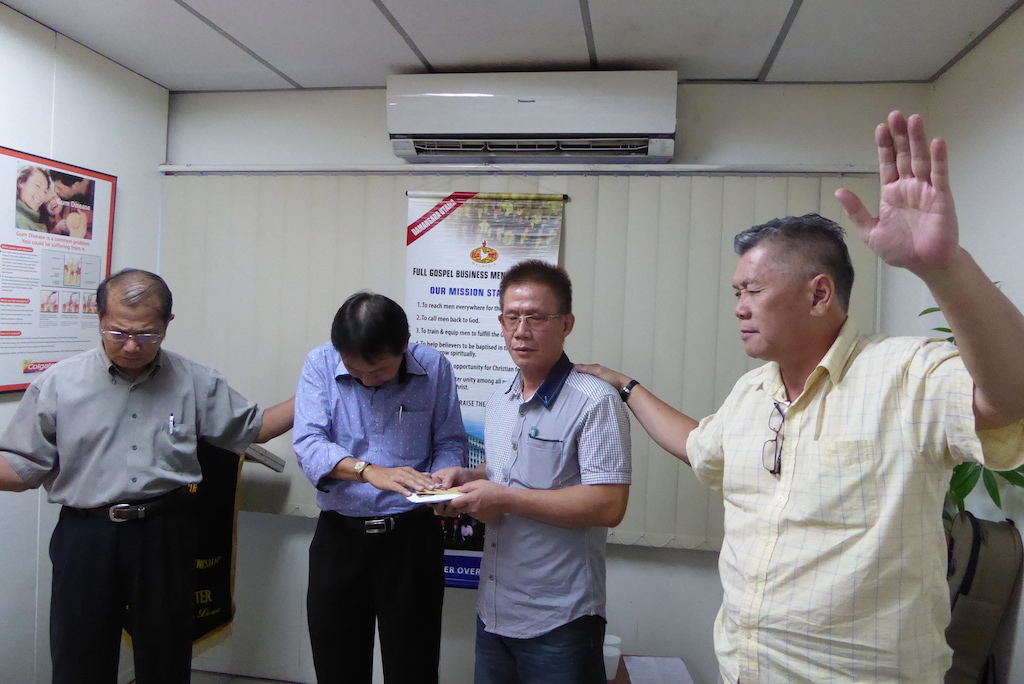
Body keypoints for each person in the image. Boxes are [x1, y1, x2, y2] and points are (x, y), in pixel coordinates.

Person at [578, 111, 1024, 682]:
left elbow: (1009, 400)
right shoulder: (752, 394)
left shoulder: (904, 374)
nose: (738, 306)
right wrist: (626, 386)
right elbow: (699, 446)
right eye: (735, 291)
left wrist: (944, 267)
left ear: (819, 294)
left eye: (753, 290)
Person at [0, 267, 295, 684]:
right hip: (87, 536)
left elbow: (251, 429)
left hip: (165, 533)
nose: (133, 345)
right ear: (98, 316)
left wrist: (312, 395)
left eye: (148, 334)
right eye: (118, 332)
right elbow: (21, 468)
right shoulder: (57, 385)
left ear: (167, 324)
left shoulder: (195, 381)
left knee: (166, 657)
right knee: (79, 656)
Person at [434, 261, 631, 684]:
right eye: (512, 316)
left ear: (566, 324)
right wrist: (469, 477)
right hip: (494, 611)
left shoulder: (595, 401)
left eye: (537, 317)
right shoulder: (500, 400)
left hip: (560, 618)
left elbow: (609, 503)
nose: (521, 330)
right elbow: (505, 472)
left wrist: (503, 499)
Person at [292, 291, 469, 684]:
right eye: (355, 372)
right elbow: (308, 443)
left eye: (378, 372)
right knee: (337, 667)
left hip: (409, 541)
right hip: (340, 539)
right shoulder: (320, 363)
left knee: (414, 667)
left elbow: (450, 442)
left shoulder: (435, 367)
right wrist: (368, 471)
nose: (367, 381)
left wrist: (440, 484)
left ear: (404, 346)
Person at [15, 165, 51, 232]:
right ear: (21, 182)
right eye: (37, 186)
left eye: (45, 192)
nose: (42, 195)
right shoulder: (15, 220)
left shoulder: (41, 222)